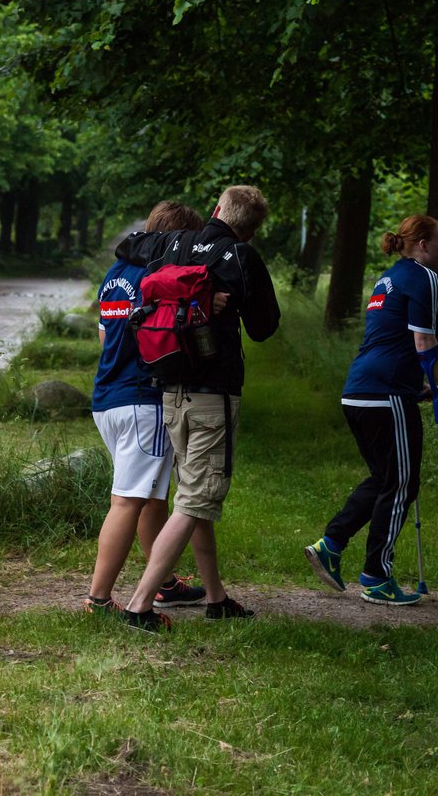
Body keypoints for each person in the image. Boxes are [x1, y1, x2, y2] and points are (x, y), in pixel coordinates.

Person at [117, 186, 280, 631]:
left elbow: (125, 245)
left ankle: (216, 598)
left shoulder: (171, 242)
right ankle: (139, 605)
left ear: (216, 210)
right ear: (250, 230)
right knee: (196, 498)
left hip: (171, 388)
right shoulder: (242, 257)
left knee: (193, 489)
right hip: (215, 393)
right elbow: (265, 327)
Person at [305, 214, 438, 606]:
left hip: (359, 391)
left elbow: (390, 338)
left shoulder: (388, 277)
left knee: (384, 477)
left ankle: (331, 544)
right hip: (385, 395)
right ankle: (377, 576)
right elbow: (423, 341)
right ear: (423, 244)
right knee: (401, 484)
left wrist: (419, 387)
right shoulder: (424, 277)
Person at [84, 201, 208, 615]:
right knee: (128, 500)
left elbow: (106, 338)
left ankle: (165, 584)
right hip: (143, 401)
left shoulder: (115, 273)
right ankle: (97, 599)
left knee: (151, 496)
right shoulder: (162, 274)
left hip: (107, 398)